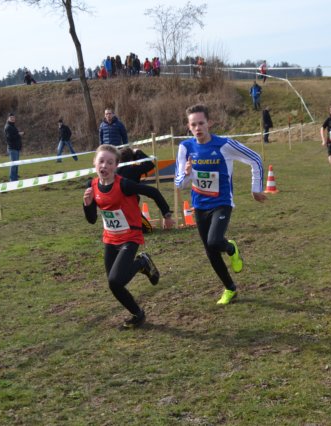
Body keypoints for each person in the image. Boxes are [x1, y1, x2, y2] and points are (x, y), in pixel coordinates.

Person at [175, 104, 267, 305]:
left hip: (222, 203)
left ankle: (231, 248)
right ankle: (230, 288)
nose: (198, 128)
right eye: (193, 124)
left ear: (209, 123)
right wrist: (187, 174)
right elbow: (179, 184)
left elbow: (255, 158)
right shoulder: (185, 148)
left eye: (201, 123)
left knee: (215, 241)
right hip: (199, 205)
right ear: (188, 127)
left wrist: (255, 188)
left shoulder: (225, 145)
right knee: (210, 251)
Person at [83, 144, 174, 328]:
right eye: (101, 161)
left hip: (130, 236)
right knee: (114, 284)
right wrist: (87, 204)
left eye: (110, 162)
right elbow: (92, 220)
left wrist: (167, 214)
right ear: (94, 163)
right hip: (110, 238)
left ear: (116, 165)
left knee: (116, 280)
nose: (105, 166)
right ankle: (137, 314)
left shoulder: (123, 184)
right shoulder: (91, 186)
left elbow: (153, 192)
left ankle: (141, 263)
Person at [118, 147, 156, 233]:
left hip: (116, 207)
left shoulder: (113, 169)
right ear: (131, 159)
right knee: (147, 229)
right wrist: (139, 152)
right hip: (129, 204)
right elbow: (150, 164)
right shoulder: (133, 169)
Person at [4, 113, 24, 182]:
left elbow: (15, 135)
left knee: (16, 164)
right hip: (12, 148)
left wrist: (18, 134)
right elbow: (10, 138)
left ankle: (15, 178)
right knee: (13, 164)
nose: (13, 119)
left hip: (16, 148)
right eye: (11, 117)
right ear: (8, 118)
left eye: (13, 117)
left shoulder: (13, 126)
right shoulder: (8, 127)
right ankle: (12, 179)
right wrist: (19, 134)